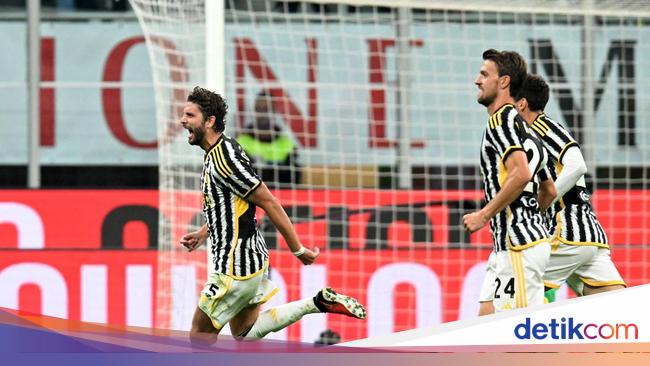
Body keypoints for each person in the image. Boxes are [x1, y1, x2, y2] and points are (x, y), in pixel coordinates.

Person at [179, 86, 366, 347]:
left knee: (199, 339)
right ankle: (317, 302)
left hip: (234, 266)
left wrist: (298, 250)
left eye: (190, 115)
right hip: (251, 259)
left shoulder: (224, 159)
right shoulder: (221, 151)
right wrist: (204, 231)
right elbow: (232, 205)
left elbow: (269, 202)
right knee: (244, 332)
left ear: (209, 121)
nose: (182, 120)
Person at [513, 74, 626, 298]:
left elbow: (577, 164)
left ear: (522, 103)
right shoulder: (528, 137)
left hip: (565, 231)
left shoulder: (541, 128)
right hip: (589, 237)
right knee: (618, 315)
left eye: (511, 104)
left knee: (517, 292)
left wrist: (542, 203)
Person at [464, 49, 552, 313]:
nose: (477, 81)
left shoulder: (501, 119)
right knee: (485, 324)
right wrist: (532, 220)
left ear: (503, 82)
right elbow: (548, 190)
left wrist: (484, 214)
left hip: (518, 246)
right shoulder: (527, 130)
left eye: (484, 74)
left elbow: (521, 173)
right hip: (511, 245)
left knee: (521, 338)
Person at [237, 91, 301, 188]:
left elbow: (293, 179)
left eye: (266, 109)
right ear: (254, 112)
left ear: (274, 112)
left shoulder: (287, 144)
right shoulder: (240, 143)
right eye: (259, 109)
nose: (262, 113)